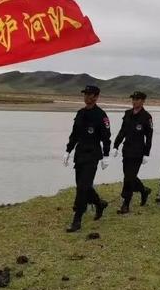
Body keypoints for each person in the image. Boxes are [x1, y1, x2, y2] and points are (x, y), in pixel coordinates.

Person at [63, 85, 111, 232]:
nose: (86, 97)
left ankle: (77, 220)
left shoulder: (101, 115)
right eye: (85, 94)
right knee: (83, 186)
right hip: (80, 155)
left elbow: (106, 138)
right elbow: (74, 135)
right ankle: (99, 203)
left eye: (90, 95)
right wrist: (68, 150)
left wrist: (106, 155)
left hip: (93, 155)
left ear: (96, 97)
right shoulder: (80, 113)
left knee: (83, 188)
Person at [113, 91, 153, 214]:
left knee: (129, 178)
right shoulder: (128, 114)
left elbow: (149, 137)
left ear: (142, 101)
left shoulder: (146, 117)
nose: (134, 101)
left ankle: (126, 204)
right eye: (133, 99)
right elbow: (122, 131)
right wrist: (116, 145)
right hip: (127, 150)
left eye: (137, 99)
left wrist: (146, 153)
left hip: (138, 152)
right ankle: (144, 190)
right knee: (129, 176)